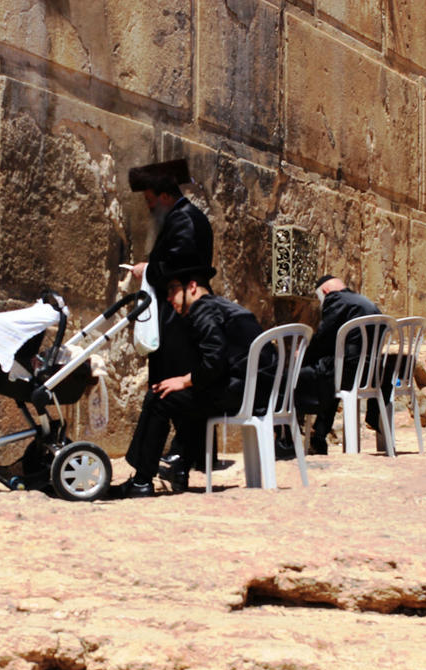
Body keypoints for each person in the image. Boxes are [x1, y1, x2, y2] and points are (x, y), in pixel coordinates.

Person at [123, 265, 275, 497]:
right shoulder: (224, 307)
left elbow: (214, 360)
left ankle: (142, 480)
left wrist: (185, 380)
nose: (168, 297)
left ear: (192, 287)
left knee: (159, 396)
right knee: (187, 398)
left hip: (242, 394)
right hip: (257, 391)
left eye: (173, 289)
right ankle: (179, 468)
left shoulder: (203, 309)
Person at [127, 160, 214, 478]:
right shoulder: (185, 217)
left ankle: (156, 463)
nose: (149, 208)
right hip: (179, 312)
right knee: (173, 386)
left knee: (168, 386)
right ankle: (187, 456)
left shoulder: (185, 220)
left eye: (150, 201)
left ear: (165, 196)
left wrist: (146, 270)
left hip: (180, 315)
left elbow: (180, 264)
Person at [294, 275, 381, 455]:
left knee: (298, 376)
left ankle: (288, 437)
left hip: (349, 371)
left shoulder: (336, 300)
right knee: (331, 376)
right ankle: (319, 435)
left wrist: (302, 355)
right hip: (370, 372)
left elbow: (323, 338)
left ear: (325, 292)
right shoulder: (366, 302)